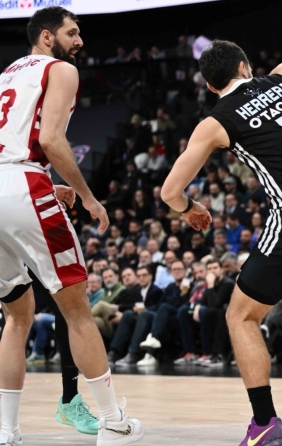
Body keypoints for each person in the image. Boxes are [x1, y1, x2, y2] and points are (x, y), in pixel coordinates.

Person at [160, 2, 282, 443]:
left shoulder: (215, 121)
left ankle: (266, 423)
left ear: (211, 85)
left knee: (241, 316)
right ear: (244, 66)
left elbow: (169, 192)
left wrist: (188, 208)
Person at [0, 7, 143, 445]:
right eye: (72, 32)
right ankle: (112, 422)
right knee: (77, 307)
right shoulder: (60, 69)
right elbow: (50, 139)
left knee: (16, 314)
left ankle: (6, 431)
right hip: (23, 185)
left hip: (8, 184)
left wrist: (41, 183)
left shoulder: (6, 74)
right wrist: (87, 196)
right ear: (47, 36)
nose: (79, 41)